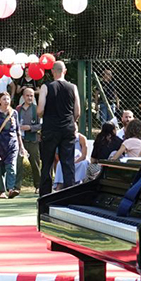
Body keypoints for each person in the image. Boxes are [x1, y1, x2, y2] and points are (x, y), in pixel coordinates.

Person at [37, 60, 81, 196]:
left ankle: (45, 195)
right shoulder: (73, 87)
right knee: (68, 163)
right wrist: (73, 121)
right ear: (65, 71)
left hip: (50, 129)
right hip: (67, 128)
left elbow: (40, 110)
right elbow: (77, 111)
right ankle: (69, 195)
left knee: (47, 163)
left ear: (52, 71)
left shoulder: (46, 87)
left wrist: (43, 115)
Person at [0, 92, 23, 198]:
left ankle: (11, 189)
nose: (6, 101)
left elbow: (18, 130)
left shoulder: (14, 113)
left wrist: (21, 146)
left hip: (12, 143)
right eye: (4, 99)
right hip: (0, 143)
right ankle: (2, 190)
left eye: (8, 99)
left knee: (11, 165)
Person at [17, 87, 41, 189]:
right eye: (27, 95)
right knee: (18, 164)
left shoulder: (37, 109)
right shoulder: (18, 109)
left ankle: (38, 186)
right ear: (23, 97)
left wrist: (30, 127)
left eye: (32, 96)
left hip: (33, 140)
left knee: (35, 164)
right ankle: (16, 187)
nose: (30, 98)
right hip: (20, 141)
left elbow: (41, 125)